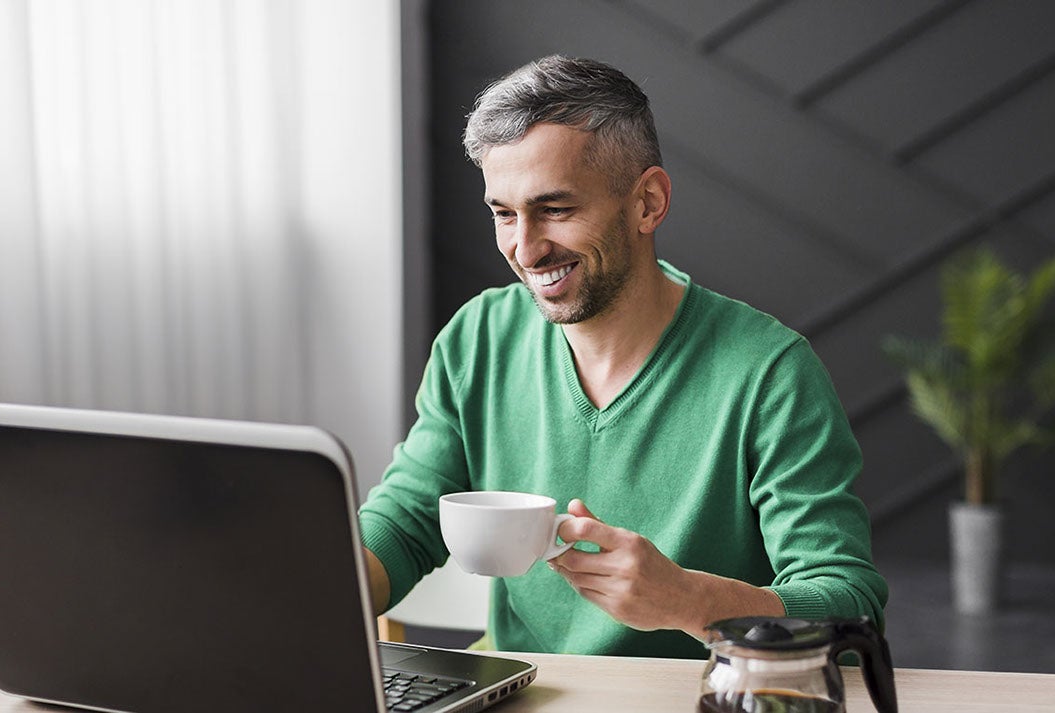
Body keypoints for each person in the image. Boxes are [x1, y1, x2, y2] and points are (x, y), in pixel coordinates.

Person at [358, 55, 887, 659]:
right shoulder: (477, 337)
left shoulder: (771, 374)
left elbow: (851, 608)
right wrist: (300, 585)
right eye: (503, 213)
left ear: (648, 202)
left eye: (555, 209)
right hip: (525, 691)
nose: (525, 249)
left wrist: (690, 599)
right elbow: (405, 522)